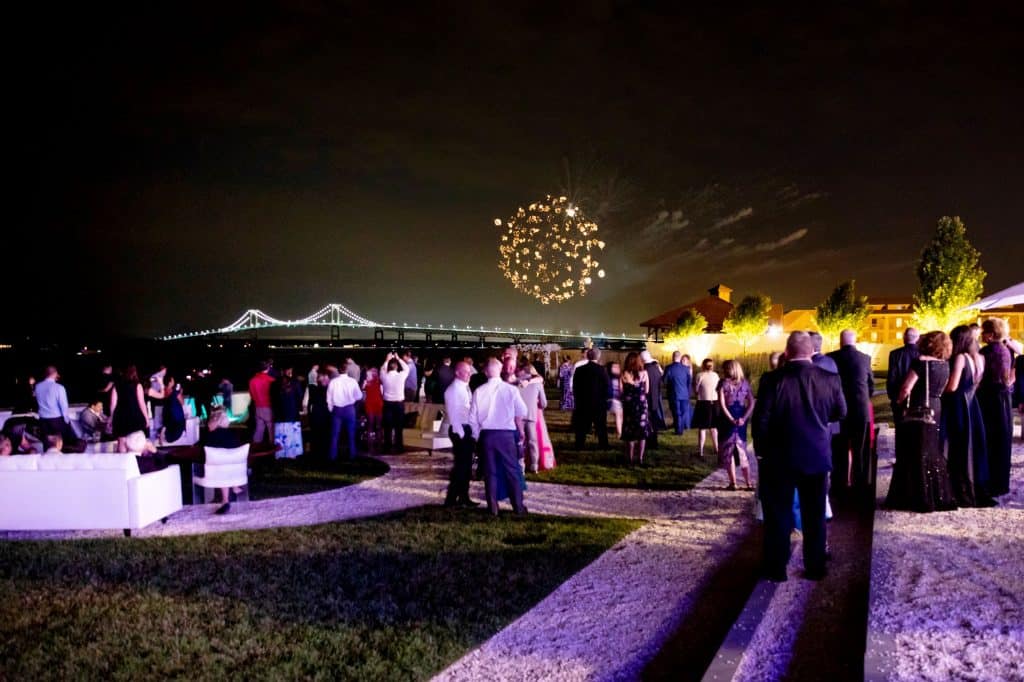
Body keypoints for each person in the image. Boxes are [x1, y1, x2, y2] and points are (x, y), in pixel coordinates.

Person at [753, 332, 846, 582]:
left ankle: (776, 568)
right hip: (816, 454)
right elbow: (840, 411)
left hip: (779, 457)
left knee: (778, 514)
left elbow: (761, 419)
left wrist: (761, 451)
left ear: (787, 351)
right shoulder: (830, 379)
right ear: (811, 351)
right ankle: (815, 566)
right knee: (814, 514)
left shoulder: (772, 380)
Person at [885, 331, 956, 512]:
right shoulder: (945, 365)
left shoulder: (920, 363)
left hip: (918, 408)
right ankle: (936, 494)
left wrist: (899, 402)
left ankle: (914, 495)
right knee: (932, 449)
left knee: (914, 451)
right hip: (936, 406)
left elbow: (906, 387)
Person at [470, 358, 529, 516]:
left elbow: (472, 419)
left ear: (486, 371)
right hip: (506, 434)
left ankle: (493, 507)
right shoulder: (510, 390)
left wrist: (477, 436)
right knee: (512, 470)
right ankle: (518, 506)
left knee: (490, 472)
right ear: (500, 370)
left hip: (487, 435)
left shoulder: (479, 391)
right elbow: (522, 410)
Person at [942, 325, 993, 507]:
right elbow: (975, 384)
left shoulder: (960, 358)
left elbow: (953, 386)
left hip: (958, 405)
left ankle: (958, 489)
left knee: (957, 446)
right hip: (972, 404)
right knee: (971, 444)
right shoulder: (978, 358)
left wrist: (939, 391)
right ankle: (973, 485)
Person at [827, 329, 875, 497]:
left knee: (839, 449)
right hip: (859, 410)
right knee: (859, 449)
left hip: (839, 412)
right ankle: (860, 487)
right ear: (855, 341)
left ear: (841, 341)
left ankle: (839, 486)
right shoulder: (864, 359)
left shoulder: (831, 358)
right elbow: (871, 386)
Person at [977, 317, 1013, 497]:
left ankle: (990, 482)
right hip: (1004, 398)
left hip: (989, 398)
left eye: (984, 332)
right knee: (1003, 441)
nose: (981, 335)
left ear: (990, 334)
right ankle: (1001, 483)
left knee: (989, 440)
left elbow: (980, 378)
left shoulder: (986, 352)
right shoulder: (1006, 350)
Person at [443, 361, 478, 507]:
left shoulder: (464, 387)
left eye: (470, 371)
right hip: (460, 431)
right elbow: (453, 415)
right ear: (457, 373)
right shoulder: (452, 390)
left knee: (465, 466)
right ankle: (451, 499)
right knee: (461, 466)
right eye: (466, 371)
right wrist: (463, 434)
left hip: (466, 429)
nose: (469, 374)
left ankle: (463, 497)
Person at [718, 359, 755, 490]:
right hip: (741, 420)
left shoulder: (723, 384)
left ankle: (733, 483)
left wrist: (730, 418)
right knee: (742, 451)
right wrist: (744, 418)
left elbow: (722, 404)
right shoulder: (745, 384)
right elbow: (751, 402)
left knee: (728, 451)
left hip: (727, 420)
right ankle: (748, 483)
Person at [203, 407, 243, 514]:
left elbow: (206, 454)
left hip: (216, 471)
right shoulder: (233, 435)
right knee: (226, 466)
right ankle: (234, 487)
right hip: (235, 471)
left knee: (220, 467)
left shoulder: (210, 436)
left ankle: (225, 500)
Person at [571, 348, 610, 449]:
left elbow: (575, 386)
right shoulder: (601, 370)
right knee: (601, 426)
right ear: (598, 356)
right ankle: (603, 445)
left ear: (587, 356)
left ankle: (579, 445)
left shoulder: (580, 370)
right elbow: (607, 386)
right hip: (598, 403)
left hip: (583, 403)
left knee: (582, 426)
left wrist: (577, 400)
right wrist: (604, 399)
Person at [111, 365, 150, 454]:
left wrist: (112, 419)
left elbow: (113, 404)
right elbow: (142, 404)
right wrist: (147, 419)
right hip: (134, 415)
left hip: (120, 416)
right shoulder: (137, 385)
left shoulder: (116, 385)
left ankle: (123, 463)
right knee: (137, 439)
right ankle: (136, 462)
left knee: (121, 441)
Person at [887, 328, 921, 428]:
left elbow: (892, 376)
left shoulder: (895, 354)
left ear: (904, 338)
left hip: (898, 395)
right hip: (917, 396)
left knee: (900, 427)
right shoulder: (922, 354)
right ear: (917, 338)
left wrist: (892, 396)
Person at [621, 351, 651, 466]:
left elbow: (621, 391)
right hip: (641, 405)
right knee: (642, 433)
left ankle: (630, 458)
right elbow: (647, 390)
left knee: (630, 433)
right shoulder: (644, 373)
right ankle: (640, 458)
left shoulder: (624, 374)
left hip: (629, 406)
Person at [327, 364, 363, 461]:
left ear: (338, 371)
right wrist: (352, 399)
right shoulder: (353, 381)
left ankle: (333, 456)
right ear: (347, 370)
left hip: (337, 410)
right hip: (349, 409)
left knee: (335, 435)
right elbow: (359, 396)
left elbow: (329, 398)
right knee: (351, 434)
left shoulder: (333, 382)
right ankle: (352, 455)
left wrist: (331, 409)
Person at [518, 366, 548, 473]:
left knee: (519, 441)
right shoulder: (537, 383)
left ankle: (521, 466)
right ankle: (534, 465)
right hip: (531, 415)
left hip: (518, 417)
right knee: (532, 441)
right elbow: (544, 403)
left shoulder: (516, 382)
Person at [380, 352, 409, 453]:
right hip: (399, 404)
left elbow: (382, 369)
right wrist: (399, 358)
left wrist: (387, 359)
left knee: (387, 427)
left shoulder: (384, 376)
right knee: (399, 427)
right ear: (397, 367)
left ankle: (387, 447)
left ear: (389, 367)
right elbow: (407, 368)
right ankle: (399, 448)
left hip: (387, 404)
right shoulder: (401, 376)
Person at [692, 359, 720, 457]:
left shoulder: (700, 375)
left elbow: (696, 389)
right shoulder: (716, 375)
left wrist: (698, 394)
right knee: (714, 428)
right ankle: (717, 449)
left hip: (704, 403)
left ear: (703, 366)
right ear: (712, 366)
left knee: (702, 428)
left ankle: (701, 451)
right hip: (715, 403)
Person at [248, 361, 276, 448]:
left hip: (257, 407)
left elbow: (251, 394)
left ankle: (255, 447)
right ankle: (273, 449)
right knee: (271, 429)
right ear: (267, 368)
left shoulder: (252, 380)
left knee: (259, 428)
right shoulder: (270, 380)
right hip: (267, 407)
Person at [664, 351, 692, 435]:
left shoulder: (669, 368)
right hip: (684, 394)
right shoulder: (686, 369)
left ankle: (678, 430)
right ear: (680, 358)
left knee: (676, 413)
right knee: (682, 412)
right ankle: (680, 429)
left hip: (673, 394)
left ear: (673, 357)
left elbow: (665, 381)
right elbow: (689, 382)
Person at [641, 350, 665, 448]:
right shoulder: (656, 369)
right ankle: (654, 441)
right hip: (656, 397)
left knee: (647, 420)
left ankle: (649, 441)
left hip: (647, 397)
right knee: (654, 420)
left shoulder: (645, 370)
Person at [161, 374, 187, 445]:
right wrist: (181, 393)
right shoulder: (175, 392)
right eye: (172, 380)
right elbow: (182, 402)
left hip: (167, 418)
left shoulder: (164, 391)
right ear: (169, 382)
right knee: (176, 431)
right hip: (177, 419)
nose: (174, 381)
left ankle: (164, 430)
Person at [362, 367, 384, 448]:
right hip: (377, 404)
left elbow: (363, 394)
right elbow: (382, 394)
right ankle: (379, 445)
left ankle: (370, 445)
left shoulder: (366, 382)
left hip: (370, 404)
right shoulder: (379, 382)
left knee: (370, 426)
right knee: (378, 425)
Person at [147, 365, 167, 441]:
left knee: (159, 419)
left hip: (157, 401)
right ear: (163, 369)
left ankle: (159, 435)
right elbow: (158, 391)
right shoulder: (156, 377)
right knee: (158, 419)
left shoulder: (157, 377)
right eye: (165, 370)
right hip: (157, 401)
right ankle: (158, 436)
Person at [607, 361, 624, 438]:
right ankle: (620, 433)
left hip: (621, 399)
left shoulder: (622, 377)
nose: (617, 369)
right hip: (612, 399)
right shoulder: (608, 378)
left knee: (622, 415)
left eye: (618, 367)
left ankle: (621, 430)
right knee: (618, 414)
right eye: (614, 367)